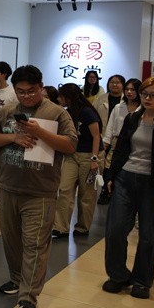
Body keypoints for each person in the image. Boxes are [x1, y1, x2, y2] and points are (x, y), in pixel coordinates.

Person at [0, 65, 77, 308]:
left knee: (35, 245)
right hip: (7, 187)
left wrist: (40, 133)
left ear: (41, 87)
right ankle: (16, 279)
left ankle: (28, 296)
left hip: (40, 192)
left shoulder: (57, 113)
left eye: (31, 91)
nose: (26, 96)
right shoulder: (7, 111)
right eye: (21, 91)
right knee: (11, 241)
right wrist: (13, 138)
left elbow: (70, 144)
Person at [102, 76, 154, 299]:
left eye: (153, 95)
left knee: (148, 236)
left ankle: (142, 281)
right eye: (144, 94)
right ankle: (118, 275)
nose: (147, 98)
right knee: (115, 230)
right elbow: (121, 150)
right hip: (125, 178)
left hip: (152, 185)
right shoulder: (132, 119)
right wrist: (111, 175)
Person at [52, 83, 103, 238]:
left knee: (87, 194)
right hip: (72, 155)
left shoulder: (87, 112)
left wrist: (94, 159)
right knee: (64, 188)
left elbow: (96, 136)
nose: (58, 99)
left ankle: (83, 227)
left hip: (90, 156)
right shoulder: (67, 112)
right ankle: (61, 227)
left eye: (61, 96)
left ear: (68, 97)